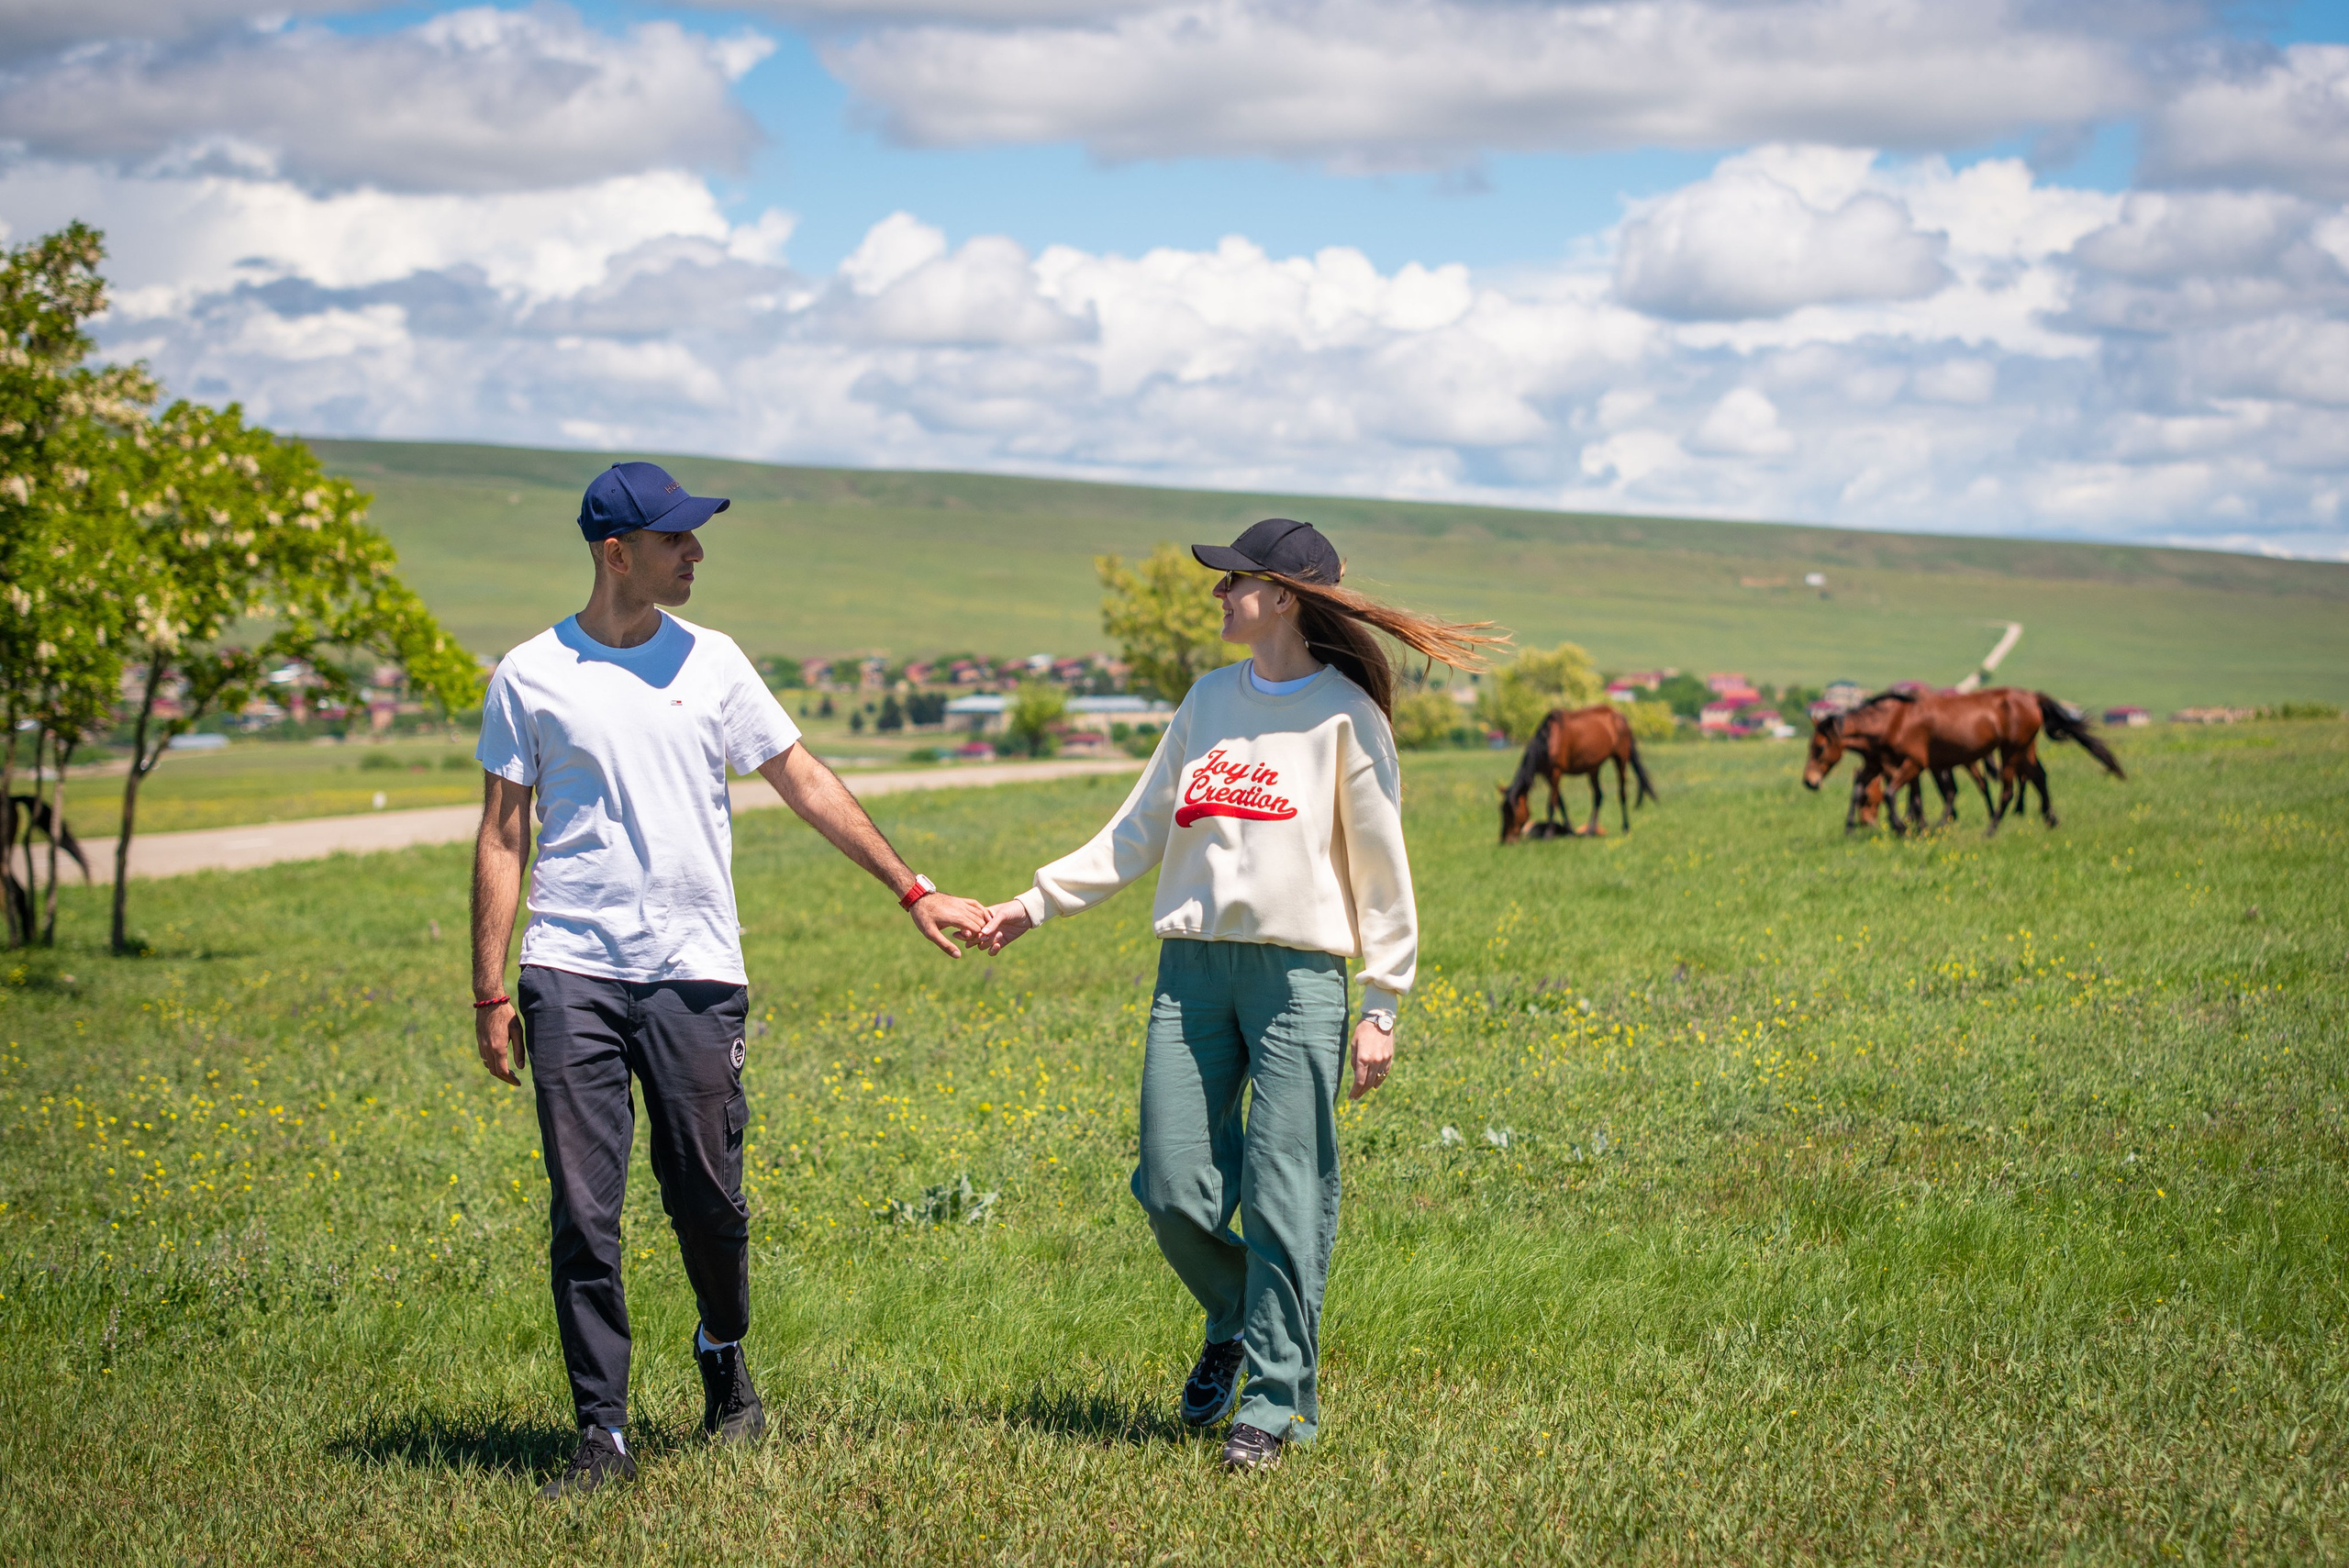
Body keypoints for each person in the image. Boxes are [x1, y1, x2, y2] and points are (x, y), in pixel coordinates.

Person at [470, 462, 988, 1500]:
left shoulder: (713, 662)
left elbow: (799, 776)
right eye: (676, 539)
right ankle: (602, 1429)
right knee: (585, 1210)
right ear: (618, 551)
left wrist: (909, 886)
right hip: (570, 967)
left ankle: (721, 1344)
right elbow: (501, 831)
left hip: (697, 972)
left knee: (709, 1199)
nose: (696, 552)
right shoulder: (530, 672)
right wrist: (491, 988)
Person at [974, 517, 1499, 1471]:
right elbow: (1135, 829)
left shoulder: (1347, 713)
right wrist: (1031, 902)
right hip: (1191, 973)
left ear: (1285, 596)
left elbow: (1382, 867)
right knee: (1172, 1184)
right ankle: (1234, 1310)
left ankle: (1277, 1401)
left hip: (1299, 977)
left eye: (1234, 582)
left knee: (1284, 1190)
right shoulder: (1208, 699)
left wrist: (1383, 999)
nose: (1219, 596)